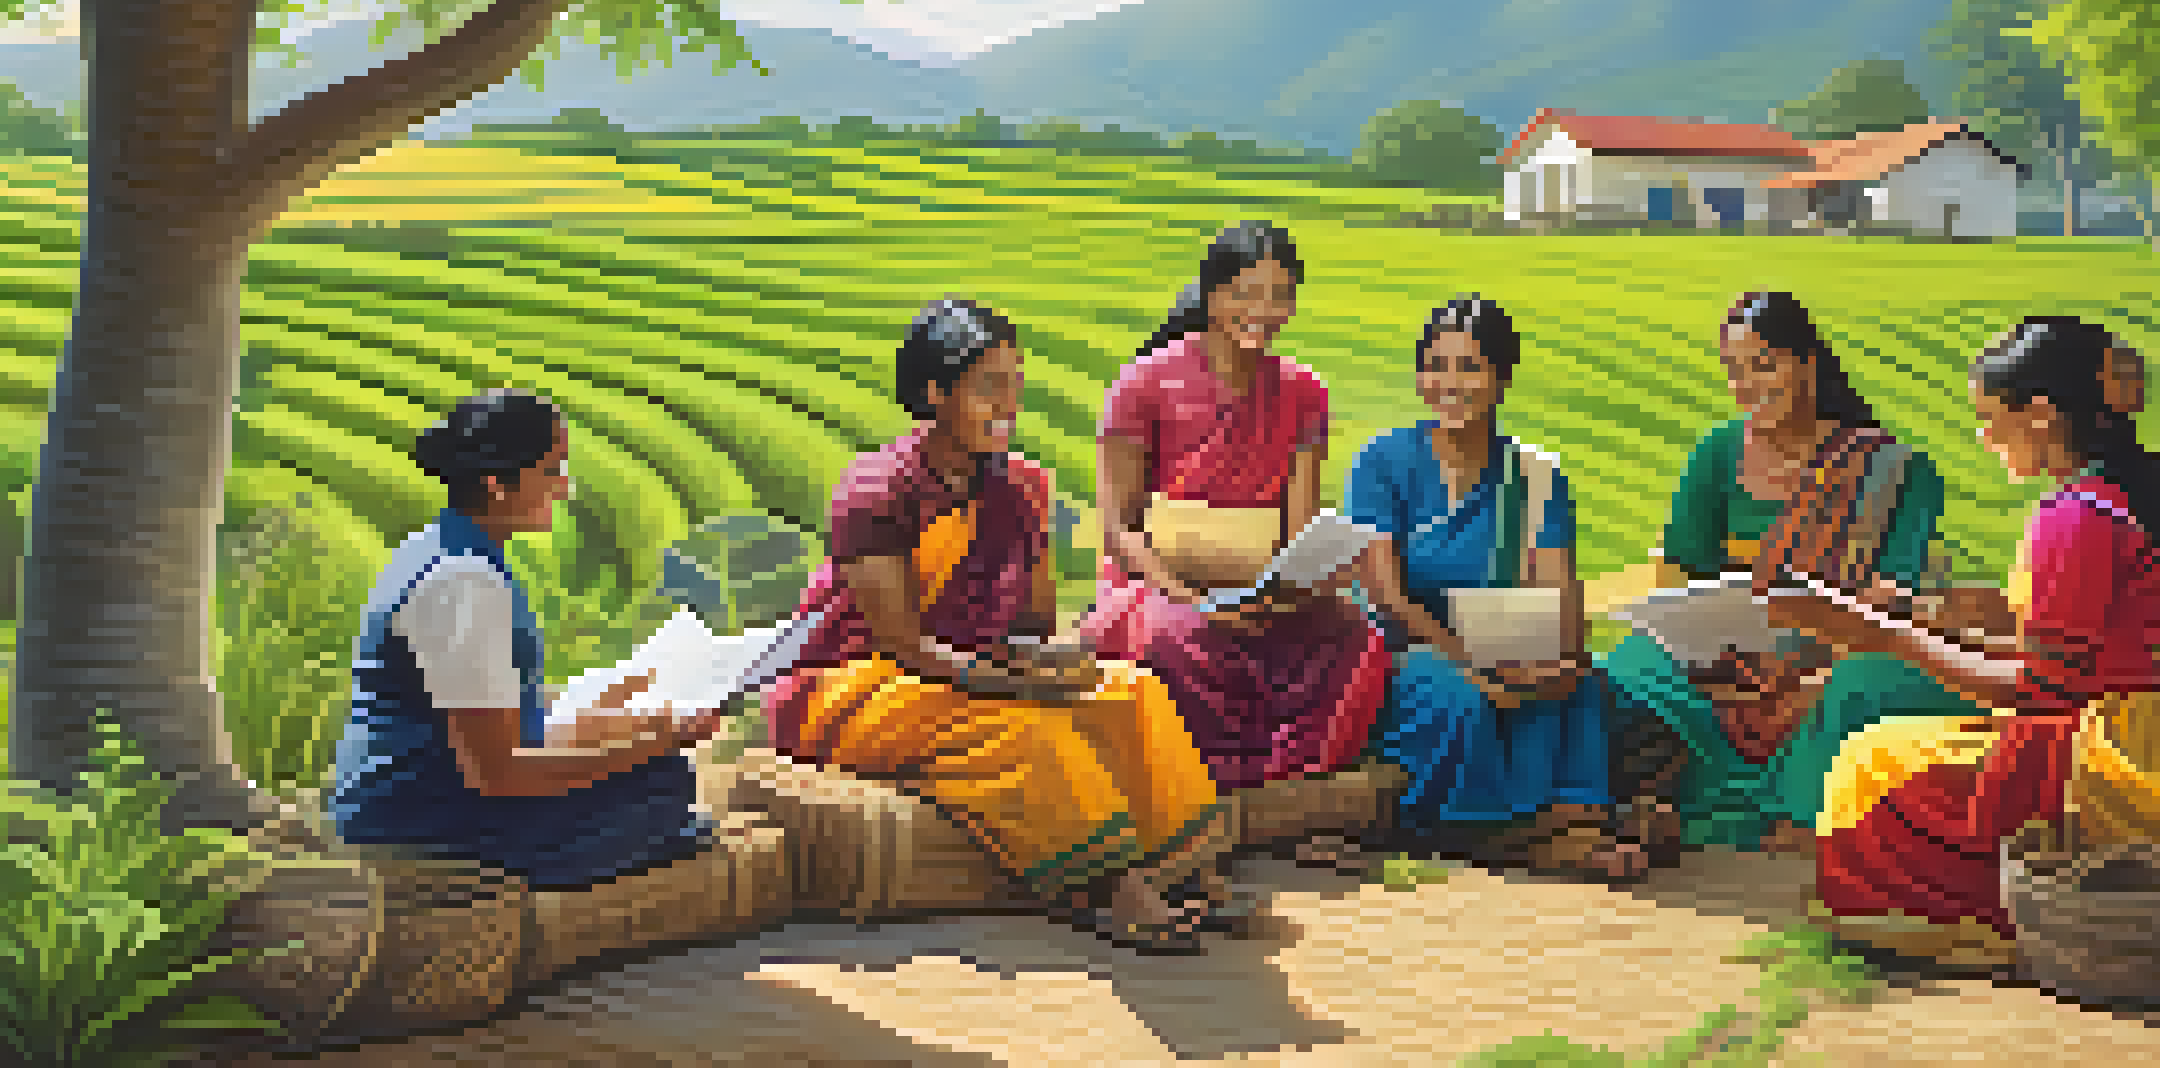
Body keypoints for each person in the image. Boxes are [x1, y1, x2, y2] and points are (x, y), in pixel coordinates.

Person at [1797, 316, 2160, 969]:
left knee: (1871, 761)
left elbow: (2042, 689)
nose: (1984, 438)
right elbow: (2081, 653)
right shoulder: (2158, 488)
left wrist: (1882, 636)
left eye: (1989, 419)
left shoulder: (2077, 516)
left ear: (2040, 414)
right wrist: (1924, 622)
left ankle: (1974, 920)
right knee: (1912, 746)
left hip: (2146, 769)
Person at [759, 298, 1240, 953]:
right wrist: (1017, 687)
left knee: (1134, 692)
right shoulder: (877, 489)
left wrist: (1060, 663)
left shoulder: (1022, 489)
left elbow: (1032, 626)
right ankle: (1105, 890)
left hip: (966, 672)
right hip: (853, 686)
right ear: (935, 393)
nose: (1009, 404)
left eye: (1014, 383)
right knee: (1029, 733)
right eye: (989, 386)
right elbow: (902, 644)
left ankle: (1181, 868)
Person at [1598, 291, 1986, 852]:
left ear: (1807, 363)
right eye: (1734, 371)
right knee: (1628, 667)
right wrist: (1718, 658)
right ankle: (1649, 803)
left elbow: (1888, 598)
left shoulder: (1893, 472)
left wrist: (1805, 668)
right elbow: (1684, 576)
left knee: (1863, 686)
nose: (1747, 385)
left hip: (1846, 645)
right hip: (1731, 652)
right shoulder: (1717, 454)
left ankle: (1783, 819)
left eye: (1763, 365)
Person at [1344, 296, 1682, 880]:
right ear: (1420, 376)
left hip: (1502, 642)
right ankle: (1495, 834)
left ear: (1501, 378)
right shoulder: (1384, 461)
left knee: (1577, 689)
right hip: (1406, 647)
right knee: (1461, 698)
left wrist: (1565, 659)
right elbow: (1385, 596)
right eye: (1436, 366)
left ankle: (1573, 820)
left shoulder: (1535, 476)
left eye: (1470, 367)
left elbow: (1557, 588)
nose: (1451, 384)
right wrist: (1472, 664)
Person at [331, 390, 721, 889]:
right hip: (421, 819)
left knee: (651, 774)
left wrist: (615, 706)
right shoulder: (464, 585)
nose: (563, 489)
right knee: (661, 781)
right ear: (497, 485)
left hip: (407, 796)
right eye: (552, 471)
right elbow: (499, 774)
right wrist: (657, 742)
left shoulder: (442, 548)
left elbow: (492, 708)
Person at [1081, 221, 1392, 790]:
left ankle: (1286, 786)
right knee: (1176, 638)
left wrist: (1290, 588)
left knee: (1357, 638)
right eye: (1246, 294)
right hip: (1156, 582)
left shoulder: (1304, 391)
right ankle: (1201, 790)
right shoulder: (1143, 383)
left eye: (1280, 296)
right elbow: (1118, 532)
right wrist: (1191, 599)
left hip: (1258, 584)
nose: (1263, 311)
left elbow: (1299, 529)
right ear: (1212, 294)